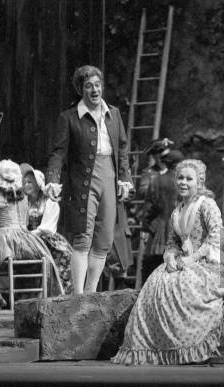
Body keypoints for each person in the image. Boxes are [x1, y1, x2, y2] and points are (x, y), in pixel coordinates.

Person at [112, 159, 223, 365]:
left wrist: (193, 258)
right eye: (180, 178)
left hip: (207, 262)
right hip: (182, 260)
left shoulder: (207, 205)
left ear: (199, 182)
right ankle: (155, 349)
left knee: (186, 286)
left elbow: (215, 236)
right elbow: (172, 241)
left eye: (189, 179)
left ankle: (186, 346)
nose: (183, 182)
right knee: (155, 285)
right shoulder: (177, 210)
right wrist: (170, 256)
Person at [45, 65, 133, 294]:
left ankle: (91, 292)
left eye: (97, 85)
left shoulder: (113, 114)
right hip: (83, 179)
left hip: (110, 178)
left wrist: (125, 178)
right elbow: (58, 153)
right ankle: (78, 294)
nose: (94, 90)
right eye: (88, 86)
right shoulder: (70, 117)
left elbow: (122, 149)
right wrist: (52, 179)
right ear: (80, 89)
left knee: (104, 239)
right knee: (83, 237)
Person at [0, 160, 64, 307]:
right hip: (25, 240)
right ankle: (0, 297)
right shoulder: (23, 197)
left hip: (3, 240)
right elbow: (25, 221)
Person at [22, 164, 73, 295]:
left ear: (38, 183)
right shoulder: (23, 202)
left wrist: (33, 233)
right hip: (29, 240)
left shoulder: (49, 201)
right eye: (25, 182)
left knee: (64, 255)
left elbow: (48, 227)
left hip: (47, 239)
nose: (26, 185)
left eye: (29, 182)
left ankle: (61, 294)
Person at [139, 149, 184, 281]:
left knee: (153, 266)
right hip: (179, 229)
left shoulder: (156, 181)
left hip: (159, 229)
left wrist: (145, 227)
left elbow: (149, 207)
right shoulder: (186, 183)